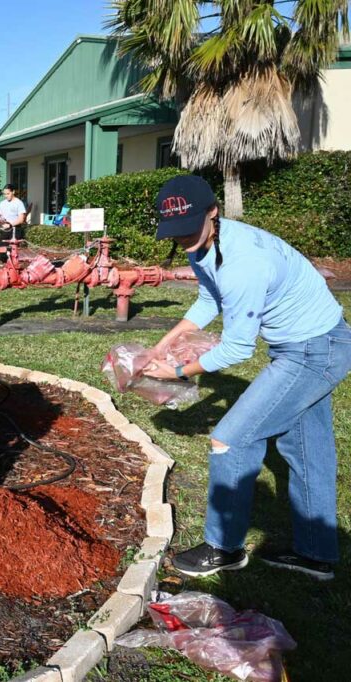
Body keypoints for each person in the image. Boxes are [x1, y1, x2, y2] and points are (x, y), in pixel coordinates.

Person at [143, 175, 350, 580]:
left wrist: (178, 371)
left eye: (188, 229)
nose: (182, 239)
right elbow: (209, 298)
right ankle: (316, 554)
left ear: (213, 213)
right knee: (308, 449)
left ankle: (224, 548)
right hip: (312, 344)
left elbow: (238, 349)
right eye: (174, 232)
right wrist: (162, 346)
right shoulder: (205, 243)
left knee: (230, 439)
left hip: (313, 351)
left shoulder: (245, 263)